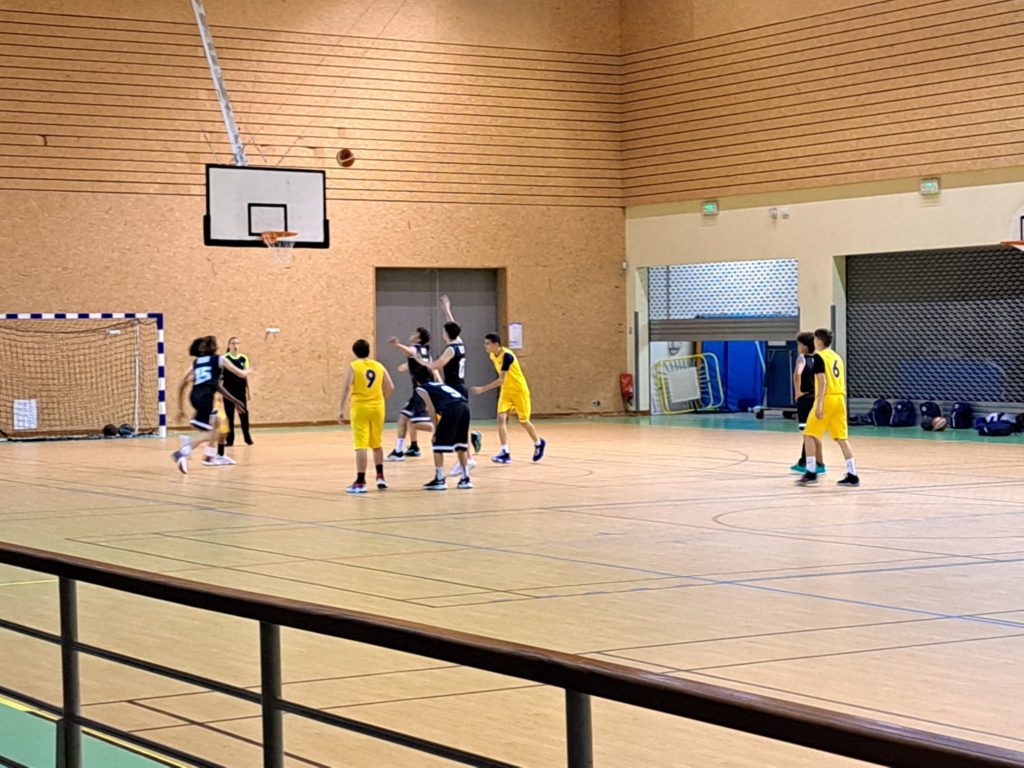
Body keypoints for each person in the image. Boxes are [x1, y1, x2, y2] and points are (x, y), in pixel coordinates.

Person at [172, 336, 249, 474]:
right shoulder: (219, 359)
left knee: (219, 423)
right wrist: (249, 370)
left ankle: (210, 456)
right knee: (212, 433)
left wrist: (180, 408)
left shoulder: (197, 362)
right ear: (214, 347)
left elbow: (184, 383)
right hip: (205, 398)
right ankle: (183, 451)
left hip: (195, 396)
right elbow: (241, 373)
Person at [797, 328, 859, 487]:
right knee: (841, 438)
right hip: (840, 399)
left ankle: (811, 472)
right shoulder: (837, 357)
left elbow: (822, 381)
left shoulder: (819, 357)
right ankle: (853, 475)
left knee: (808, 434)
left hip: (827, 398)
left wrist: (819, 405)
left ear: (818, 341)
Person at [427, 295, 482, 472]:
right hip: (460, 387)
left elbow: (437, 365)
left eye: (444, 330)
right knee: (460, 425)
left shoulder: (450, 349)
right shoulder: (460, 344)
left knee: (454, 425)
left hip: (453, 389)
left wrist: (421, 362)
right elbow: (453, 328)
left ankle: (464, 458)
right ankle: (467, 458)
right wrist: (447, 310)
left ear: (446, 333)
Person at [471, 333, 545, 464]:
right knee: (501, 418)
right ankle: (505, 452)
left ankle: (538, 443)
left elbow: (501, 379)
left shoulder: (507, 356)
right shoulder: (492, 355)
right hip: (506, 391)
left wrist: (482, 389)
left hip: (519, 391)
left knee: (524, 422)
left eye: (488, 344)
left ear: (496, 344)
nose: (485, 346)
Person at [338, 339, 394, 494]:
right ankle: (380, 477)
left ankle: (361, 481)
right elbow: (390, 386)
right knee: (376, 443)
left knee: (361, 444)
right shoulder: (379, 366)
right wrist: (381, 399)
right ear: (368, 350)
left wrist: (340, 409)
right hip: (378, 407)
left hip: (360, 407)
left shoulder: (354, 366)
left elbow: (346, 387)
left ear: (354, 352)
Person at [385, 327, 436, 461]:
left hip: (421, 391)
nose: (411, 334)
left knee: (410, 421)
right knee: (405, 419)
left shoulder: (415, 348)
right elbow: (428, 367)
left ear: (419, 338)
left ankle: (448, 430)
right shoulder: (425, 351)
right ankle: (407, 449)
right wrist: (407, 365)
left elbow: (410, 352)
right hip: (423, 390)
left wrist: (397, 345)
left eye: (415, 333)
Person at [416, 378, 473, 490]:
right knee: (460, 445)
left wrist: (435, 430)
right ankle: (466, 478)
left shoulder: (422, 388)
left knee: (437, 445)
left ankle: (440, 479)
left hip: (452, 409)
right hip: (464, 407)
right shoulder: (438, 385)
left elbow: (431, 409)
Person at [790, 331, 825, 475]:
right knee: (814, 432)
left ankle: (808, 463)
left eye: (799, 344)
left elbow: (797, 374)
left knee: (807, 433)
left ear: (804, 346)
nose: (798, 347)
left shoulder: (802, 358)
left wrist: (797, 391)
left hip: (805, 399)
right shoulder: (817, 359)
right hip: (815, 398)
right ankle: (817, 463)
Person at [222, 336, 253, 446]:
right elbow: (220, 377)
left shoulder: (243, 358)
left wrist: (248, 390)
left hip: (240, 390)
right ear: (229, 345)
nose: (235, 345)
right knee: (229, 416)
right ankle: (230, 440)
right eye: (233, 343)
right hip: (228, 391)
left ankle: (247, 438)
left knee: (243, 414)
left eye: (237, 343)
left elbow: (245, 375)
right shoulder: (224, 358)